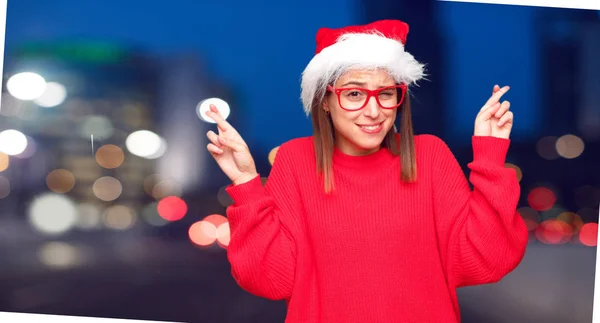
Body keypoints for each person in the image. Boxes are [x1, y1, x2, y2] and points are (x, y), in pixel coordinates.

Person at [205, 19, 528, 323]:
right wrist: (246, 182)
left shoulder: (429, 155)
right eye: (355, 94)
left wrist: (490, 154)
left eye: (386, 94)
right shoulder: (295, 160)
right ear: (326, 100)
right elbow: (269, 281)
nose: (373, 111)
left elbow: (487, 260)